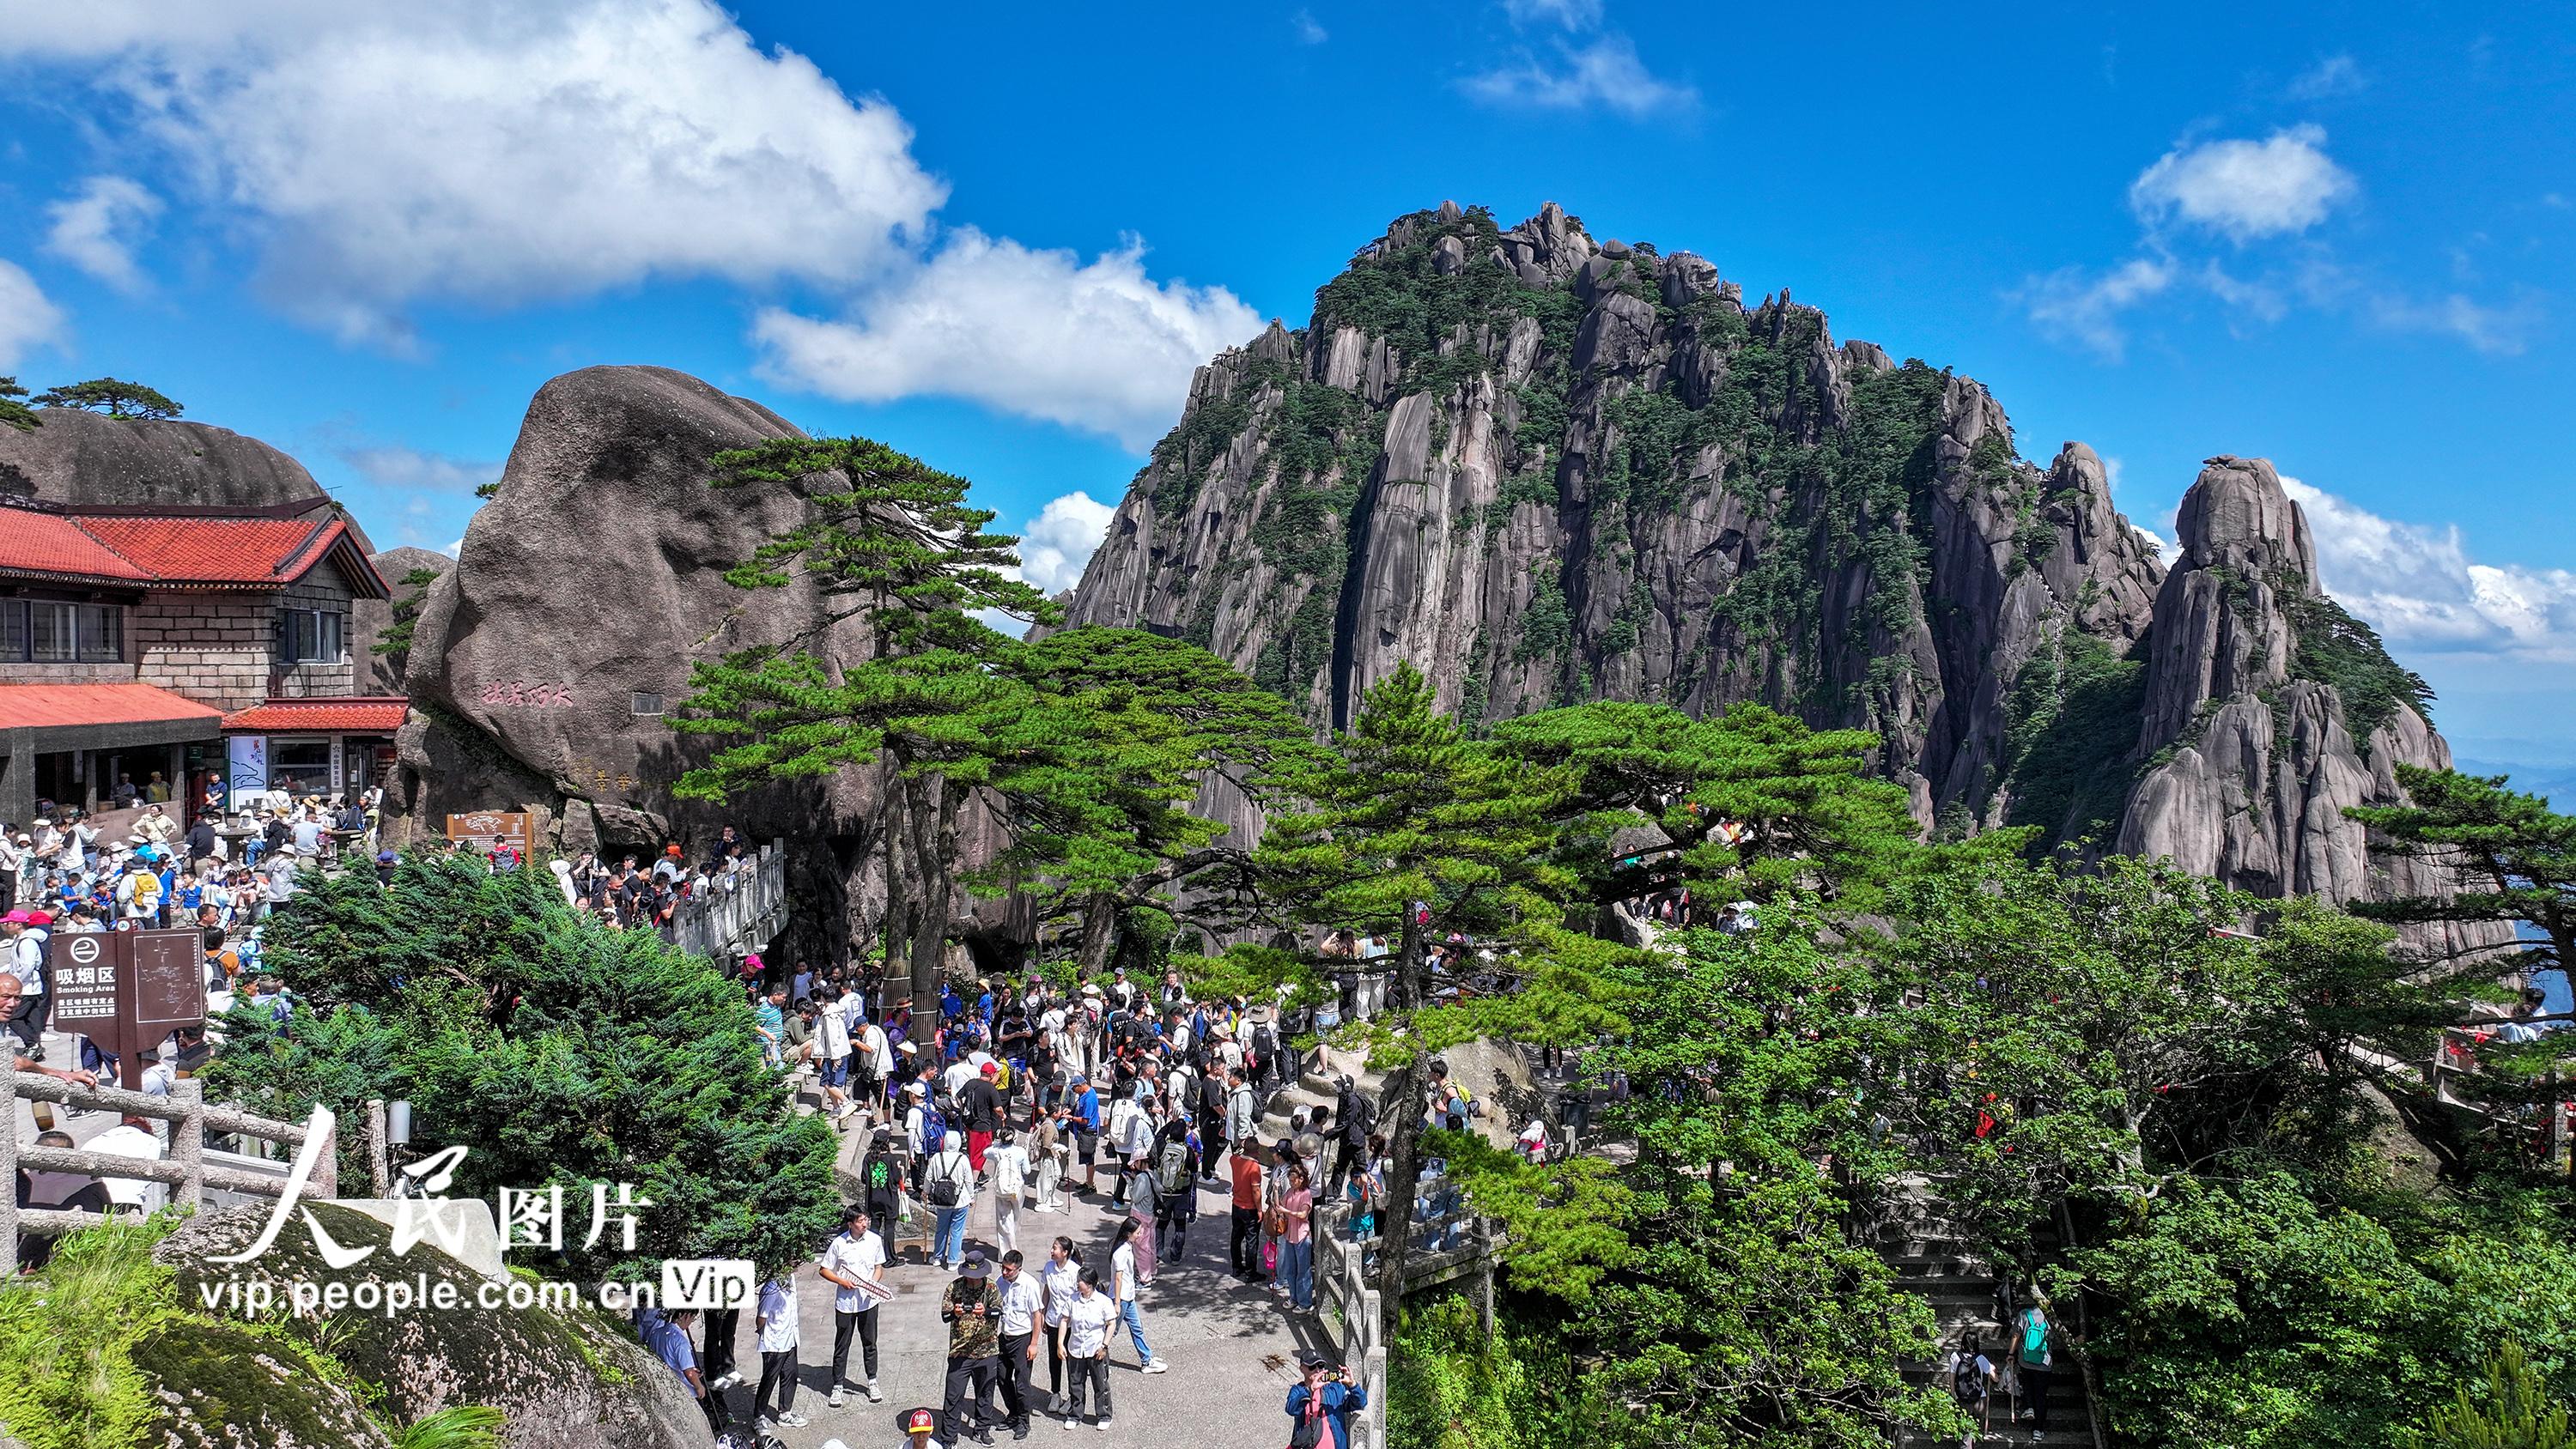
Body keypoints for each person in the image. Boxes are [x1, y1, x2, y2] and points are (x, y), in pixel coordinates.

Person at [818, 1203, 887, 1408]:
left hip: (868, 1301)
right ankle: (838, 1385)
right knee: (842, 1344)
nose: (865, 1223)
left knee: (870, 1342)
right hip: (846, 1303)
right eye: (860, 1221)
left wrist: (872, 1284)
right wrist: (841, 1281)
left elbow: (878, 1267)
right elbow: (824, 1269)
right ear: (851, 1224)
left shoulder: (875, 1240)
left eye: (866, 1219)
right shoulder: (839, 1243)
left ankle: (872, 1381)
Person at [940, 1251, 1005, 1446]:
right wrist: (955, 1312)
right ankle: (949, 1437)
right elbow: (945, 1316)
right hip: (961, 1351)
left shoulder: (992, 1287)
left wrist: (985, 1311)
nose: (973, 1280)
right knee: (953, 1395)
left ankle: (982, 1429)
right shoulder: (954, 1287)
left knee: (985, 1393)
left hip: (987, 1350)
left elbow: (999, 1311)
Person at [1058, 1267, 1119, 1431]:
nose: (1077, 1283)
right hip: (1076, 1348)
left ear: (1090, 1284)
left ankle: (1104, 1414)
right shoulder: (1072, 1300)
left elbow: (1111, 1323)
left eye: (1081, 1281)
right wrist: (1060, 1343)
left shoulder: (1103, 1301)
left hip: (1096, 1348)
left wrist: (1104, 1346)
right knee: (1076, 1383)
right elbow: (1064, 1320)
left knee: (1100, 1383)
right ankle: (1075, 1414)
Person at [993, 1248, 1044, 1441]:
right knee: (1002, 1377)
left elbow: (1037, 1315)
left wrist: (1034, 1343)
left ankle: (1024, 1421)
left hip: (1022, 1339)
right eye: (1003, 1268)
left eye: (1009, 1270)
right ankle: (1013, 1413)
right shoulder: (1001, 1282)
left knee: (1022, 1384)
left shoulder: (1029, 1284)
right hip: (1004, 1336)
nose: (1004, 1273)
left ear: (1019, 1269)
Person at [753, 1262, 811, 1431]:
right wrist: (763, 1332)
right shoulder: (772, 1286)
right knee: (769, 1379)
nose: (798, 1263)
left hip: (790, 1338)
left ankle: (785, 1413)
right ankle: (758, 1416)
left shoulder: (790, 1279)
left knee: (791, 1375)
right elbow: (761, 1317)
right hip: (775, 1342)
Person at [1108, 1218, 1166, 1374]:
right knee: (1110, 1331)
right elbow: (1118, 1278)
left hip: (1127, 1296)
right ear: (1128, 1234)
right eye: (1138, 1232)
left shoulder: (1126, 1247)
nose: (1140, 1235)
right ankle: (1096, 1360)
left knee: (1136, 1328)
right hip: (1121, 1298)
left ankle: (1146, 1360)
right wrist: (1117, 1303)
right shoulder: (1121, 1252)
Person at [924, 1130, 975, 1269]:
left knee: (941, 1229)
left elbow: (928, 1177)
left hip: (941, 1201)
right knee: (957, 1231)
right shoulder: (963, 1159)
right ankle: (953, 1260)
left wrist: (926, 1191)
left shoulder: (936, 1158)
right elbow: (969, 1181)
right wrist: (971, 1196)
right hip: (960, 1200)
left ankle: (937, 1257)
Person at [1276, 1161, 1316, 1314]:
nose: (1292, 1183)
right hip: (1290, 1235)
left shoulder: (1306, 1194)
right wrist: (1275, 1189)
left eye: (1294, 1180)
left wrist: (1286, 1212)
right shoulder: (1290, 1193)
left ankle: (1305, 1302)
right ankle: (1294, 1298)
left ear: (1301, 1178)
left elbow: (1303, 1214)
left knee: (1303, 1271)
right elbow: (1279, 1205)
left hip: (1302, 1236)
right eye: (1290, 1180)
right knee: (1291, 1270)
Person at [1947, 1332, 1997, 1448]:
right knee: (1977, 1428)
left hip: (1962, 1397)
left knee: (1964, 1430)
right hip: (1979, 1398)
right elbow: (1995, 1378)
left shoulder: (1955, 1356)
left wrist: (1954, 1395)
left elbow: (1952, 1377)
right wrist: (1993, 1369)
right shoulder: (1981, 1358)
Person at [2014, 1300, 2055, 1440]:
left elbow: (2016, 1335)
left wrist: (2010, 1353)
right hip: (2044, 1362)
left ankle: (2029, 1407)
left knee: (2027, 1385)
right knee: (2041, 1395)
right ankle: (2038, 1429)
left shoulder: (2024, 1314)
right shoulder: (2051, 1317)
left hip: (2025, 1360)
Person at [987, 1126, 1030, 1253]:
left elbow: (985, 1152)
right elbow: (1027, 1170)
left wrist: (997, 1144)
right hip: (1017, 1189)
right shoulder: (1020, 1151)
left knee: (1003, 1220)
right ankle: (1013, 1242)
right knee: (1016, 1217)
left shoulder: (996, 1152)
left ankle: (1005, 1251)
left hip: (1001, 1189)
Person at [1229, 1136, 1267, 1281]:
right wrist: (1259, 1209)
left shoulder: (1234, 1161)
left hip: (1236, 1205)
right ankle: (1251, 1272)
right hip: (1249, 1208)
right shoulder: (1254, 1168)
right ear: (1257, 1151)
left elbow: (1235, 1153)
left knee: (1236, 1237)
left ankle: (1236, 1266)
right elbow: (1256, 1191)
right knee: (1252, 1240)